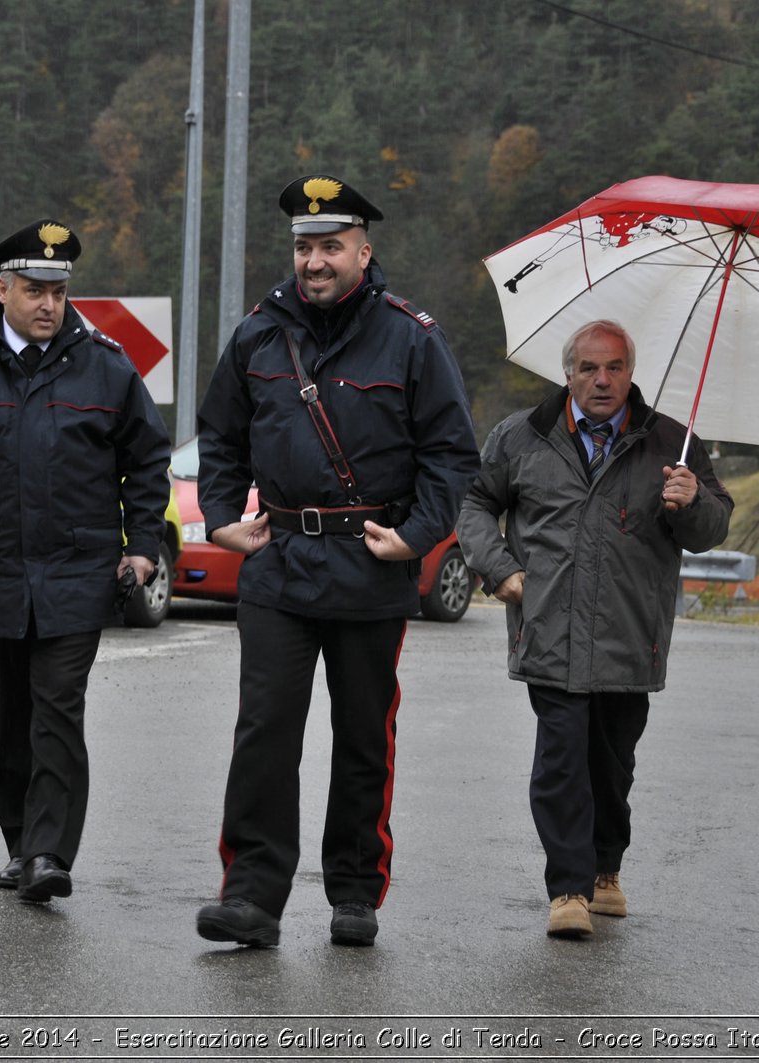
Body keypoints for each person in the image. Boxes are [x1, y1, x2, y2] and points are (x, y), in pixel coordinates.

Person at [194, 174, 480, 947]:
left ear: (364, 249)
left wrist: (418, 535)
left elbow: (452, 454)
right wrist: (222, 516)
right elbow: (218, 434)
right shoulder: (258, 334)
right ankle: (252, 895)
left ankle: (355, 890)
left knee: (362, 736)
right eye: (303, 247)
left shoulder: (412, 337)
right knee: (265, 732)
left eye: (329, 246)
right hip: (280, 562)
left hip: (369, 562)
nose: (313, 261)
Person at [0, 219, 171, 903]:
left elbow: (147, 461)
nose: (49, 304)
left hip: (79, 572)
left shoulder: (105, 365)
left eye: (59, 290)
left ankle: (50, 852)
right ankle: (21, 842)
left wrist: (142, 548)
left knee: (57, 709)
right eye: (35, 290)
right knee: (10, 719)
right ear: (3, 289)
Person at [454, 319, 732, 939]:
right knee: (561, 762)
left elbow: (712, 532)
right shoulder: (522, 436)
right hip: (548, 628)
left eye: (614, 368)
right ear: (568, 373)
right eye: (588, 368)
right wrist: (500, 570)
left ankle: (607, 869)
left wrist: (695, 502)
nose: (601, 380)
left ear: (632, 373)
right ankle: (569, 889)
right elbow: (474, 504)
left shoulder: (673, 444)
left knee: (612, 764)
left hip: (630, 636)